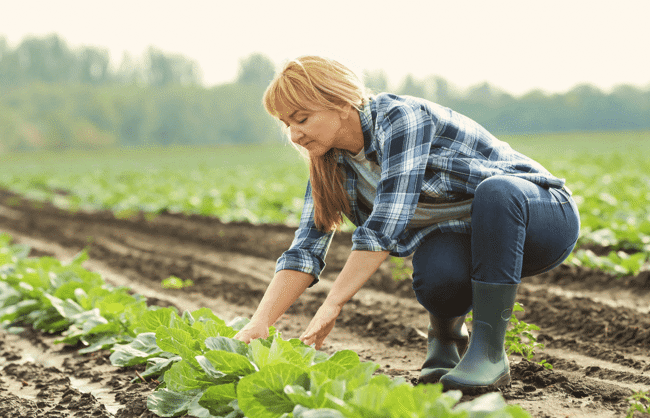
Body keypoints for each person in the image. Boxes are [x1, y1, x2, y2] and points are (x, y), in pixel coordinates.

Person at [235, 55, 580, 393]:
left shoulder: (401, 118)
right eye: (286, 124)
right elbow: (305, 250)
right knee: (436, 271)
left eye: (302, 118)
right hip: (471, 237)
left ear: (340, 103)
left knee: (496, 191)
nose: (294, 134)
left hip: (541, 221)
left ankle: (489, 353)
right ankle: (447, 341)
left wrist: (333, 303)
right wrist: (260, 322)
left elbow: (385, 227)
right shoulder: (329, 164)